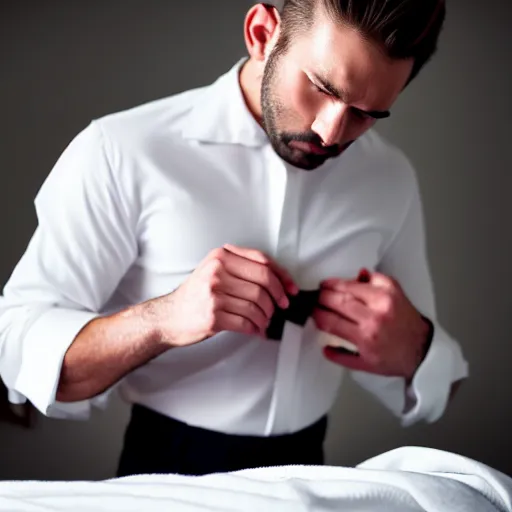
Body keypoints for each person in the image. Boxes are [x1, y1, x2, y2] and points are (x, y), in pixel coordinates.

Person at [0, 0, 468, 477]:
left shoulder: (389, 179)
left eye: (366, 114)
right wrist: (162, 320)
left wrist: (419, 348)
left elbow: (437, 388)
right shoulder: (122, 153)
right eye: (321, 87)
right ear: (262, 34)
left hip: (310, 485)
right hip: (162, 479)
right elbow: (16, 345)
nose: (332, 132)